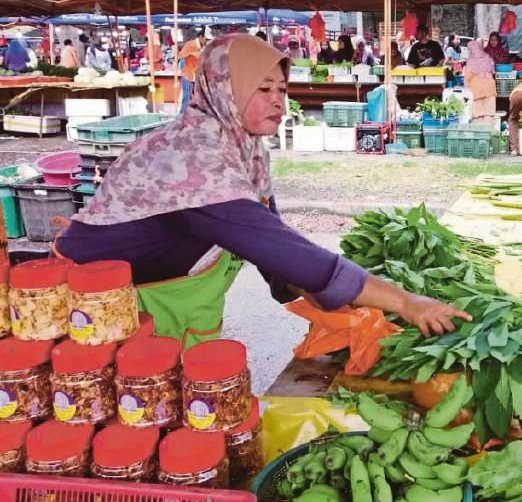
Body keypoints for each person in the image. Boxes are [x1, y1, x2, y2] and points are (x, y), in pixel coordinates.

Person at [55, 34, 470, 342]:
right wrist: (403, 302)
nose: (278, 102)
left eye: (282, 89)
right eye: (262, 89)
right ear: (223, 89)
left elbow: (271, 240)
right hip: (97, 302)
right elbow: (278, 247)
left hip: (162, 292)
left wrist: (333, 302)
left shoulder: (244, 147)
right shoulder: (191, 158)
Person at [464, 40, 497, 125]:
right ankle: (488, 135)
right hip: (490, 89)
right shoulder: (488, 57)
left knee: (477, 115)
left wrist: (466, 89)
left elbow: (467, 78)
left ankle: (480, 135)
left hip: (476, 91)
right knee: (489, 114)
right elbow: (493, 71)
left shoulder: (471, 61)